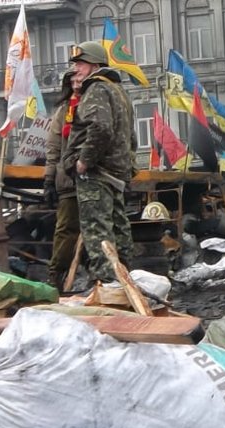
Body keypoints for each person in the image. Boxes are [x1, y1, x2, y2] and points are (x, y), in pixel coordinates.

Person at [62, 41, 136, 283]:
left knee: (98, 234)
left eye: (80, 64)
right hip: (115, 173)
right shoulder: (118, 91)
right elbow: (130, 136)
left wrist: (84, 161)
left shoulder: (96, 89)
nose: (76, 69)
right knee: (119, 230)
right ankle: (125, 282)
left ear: (94, 64)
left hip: (97, 173)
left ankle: (107, 288)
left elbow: (101, 128)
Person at [44, 68, 82, 290]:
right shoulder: (62, 112)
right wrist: (49, 180)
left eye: (80, 78)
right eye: (72, 79)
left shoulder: (95, 105)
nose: (76, 82)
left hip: (94, 179)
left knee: (99, 230)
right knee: (66, 230)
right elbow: (54, 148)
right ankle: (55, 276)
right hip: (68, 181)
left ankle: (103, 277)